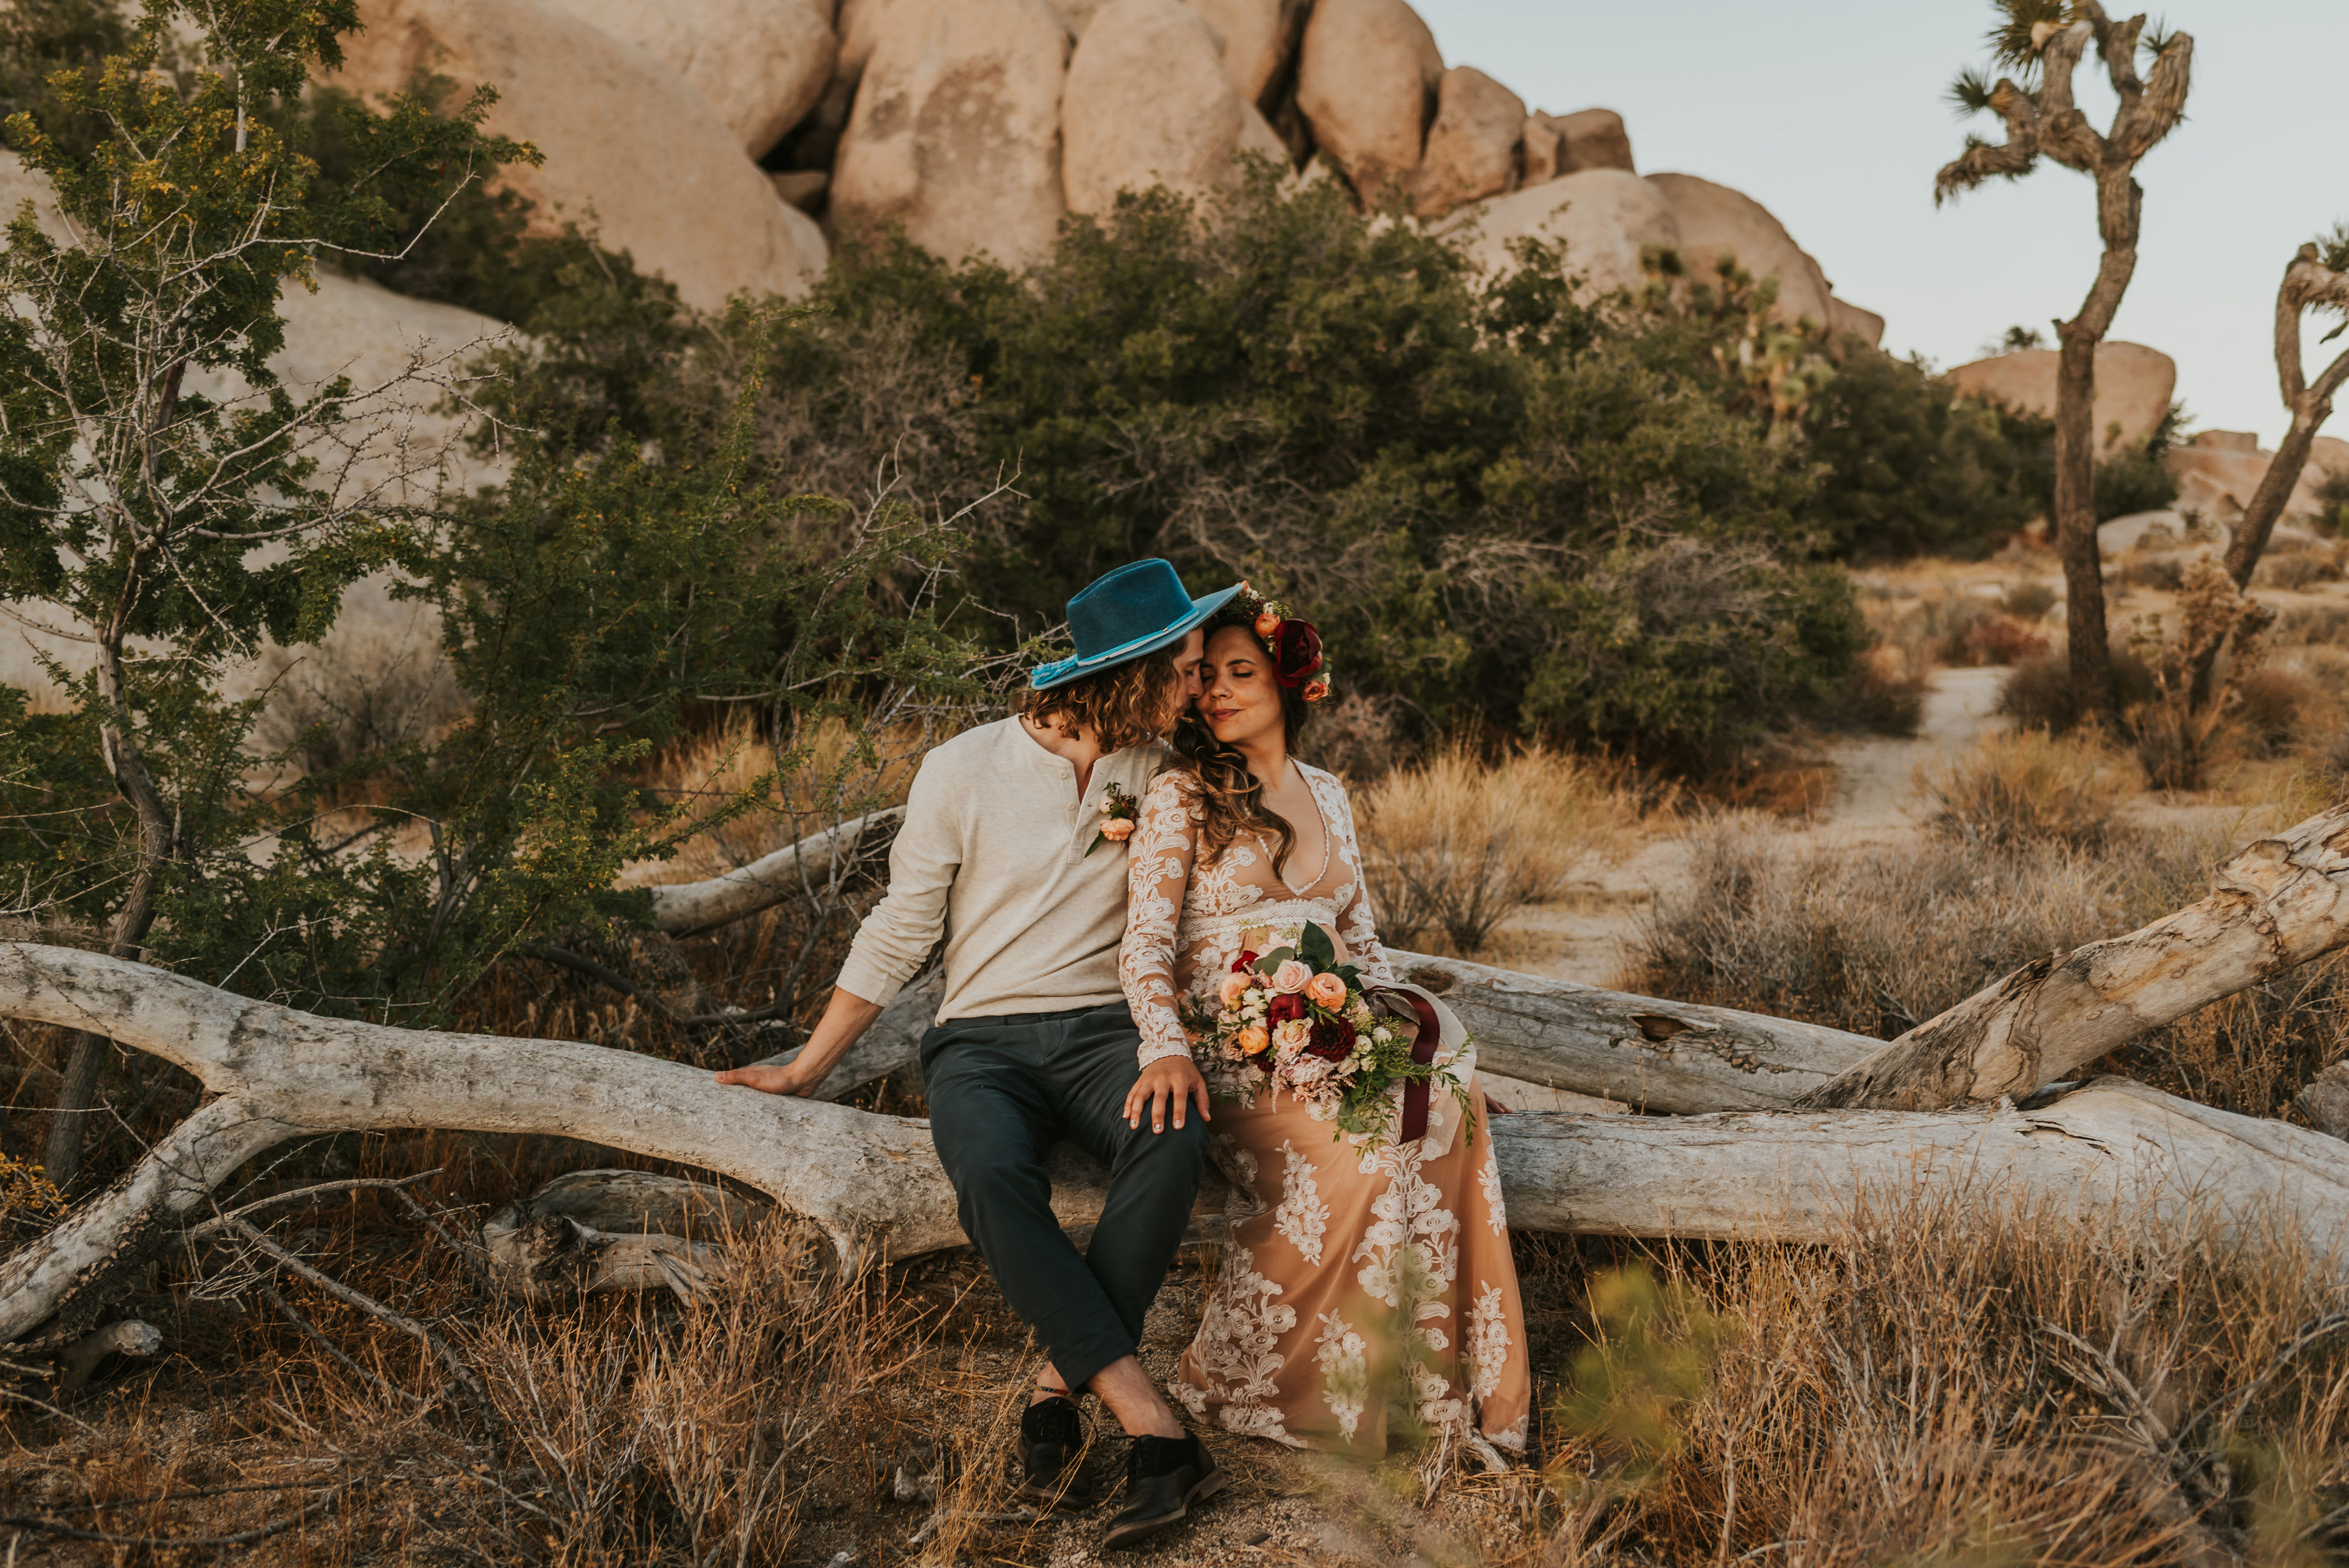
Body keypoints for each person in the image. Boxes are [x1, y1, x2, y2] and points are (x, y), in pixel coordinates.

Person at [718, 558, 1242, 1551]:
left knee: (1172, 1137)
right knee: (992, 1174)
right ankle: (1154, 1426)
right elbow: (898, 927)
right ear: (1122, 674)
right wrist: (804, 1069)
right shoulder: (962, 768)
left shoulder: (1162, 767)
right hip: (982, 1039)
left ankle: (1056, 1391)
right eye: (1178, 666)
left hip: (1106, 1032)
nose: (1194, 684)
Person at [1118, 589, 1531, 1458]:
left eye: (1242, 672)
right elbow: (1144, 946)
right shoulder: (1181, 795)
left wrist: (1400, 1043)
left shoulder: (1331, 794)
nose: (1219, 691)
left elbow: (1363, 942)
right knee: (1366, 1147)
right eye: (1209, 678)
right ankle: (1257, 1380)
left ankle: (1419, 1388)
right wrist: (1166, 1048)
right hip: (1229, 1059)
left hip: (1335, 1036)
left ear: (1286, 681)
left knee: (1444, 1106)